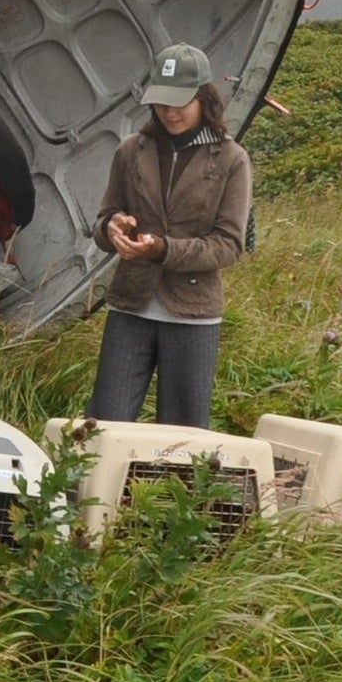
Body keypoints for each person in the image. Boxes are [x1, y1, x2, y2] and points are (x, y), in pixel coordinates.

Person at [86, 42, 253, 428]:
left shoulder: (232, 159)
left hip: (193, 314)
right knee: (105, 424)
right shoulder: (131, 150)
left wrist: (163, 250)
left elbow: (229, 245)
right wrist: (111, 230)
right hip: (130, 306)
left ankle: (172, 492)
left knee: (184, 433)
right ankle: (100, 491)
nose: (170, 112)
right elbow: (103, 218)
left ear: (204, 97)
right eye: (162, 102)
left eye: (181, 101)